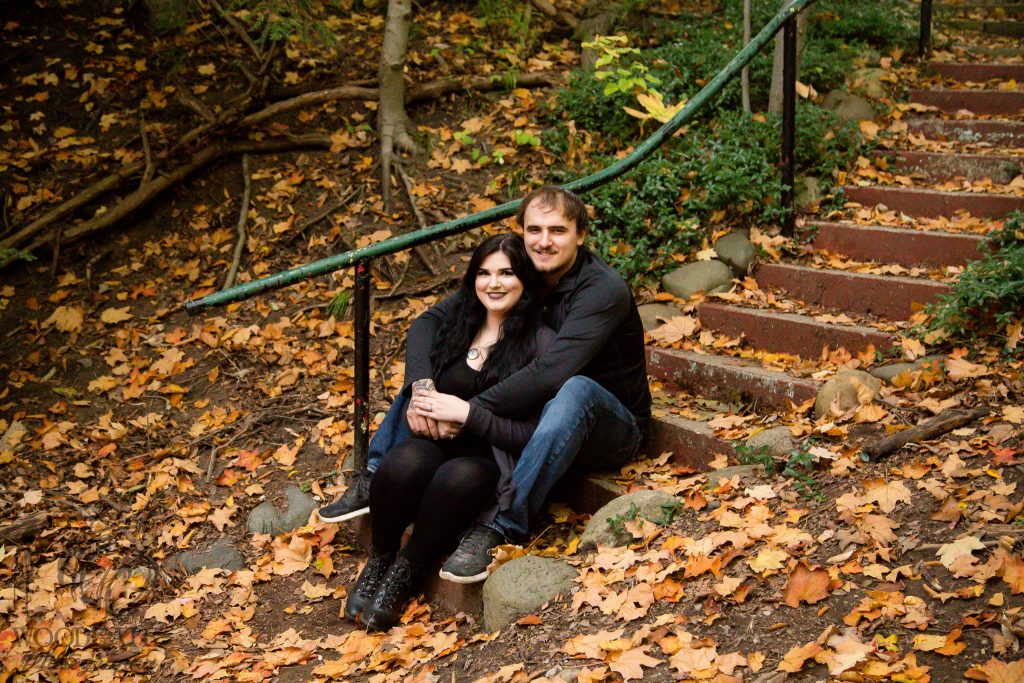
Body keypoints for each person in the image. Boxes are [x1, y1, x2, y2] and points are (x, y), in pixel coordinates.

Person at [319, 185, 651, 584]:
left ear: (581, 235)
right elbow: (428, 322)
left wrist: (466, 410)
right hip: (536, 415)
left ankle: (501, 525)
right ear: (522, 231)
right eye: (535, 229)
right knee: (436, 371)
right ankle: (375, 473)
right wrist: (425, 391)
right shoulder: (520, 271)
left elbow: (551, 372)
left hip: (607, 424)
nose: (544, 241)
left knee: (575, 388)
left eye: (558, 231)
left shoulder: (601, 290)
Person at [339, 234, 555, 631]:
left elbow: (534, 434)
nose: (494, 283)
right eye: (484, 273)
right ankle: (381, 559)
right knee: (403, 462)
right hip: (433, 444)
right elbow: (421, 367)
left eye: (506, 273)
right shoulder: (458, 325)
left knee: (456, 477)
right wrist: (420, 405)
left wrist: (469, 417)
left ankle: (406, 573)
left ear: (525, 278)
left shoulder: (541, 343)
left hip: (490, 457)